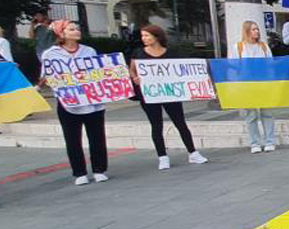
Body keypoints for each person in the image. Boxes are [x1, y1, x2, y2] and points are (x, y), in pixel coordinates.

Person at [41, 20, 110, 185]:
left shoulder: (89, 51)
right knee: (72, 139)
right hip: (68, 102)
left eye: (77, 28)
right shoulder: (50, 54)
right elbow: (47, 76)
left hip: (92, 101)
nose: (76, 31)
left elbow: (98, 73)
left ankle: (99, 169)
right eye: (71, 29)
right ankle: (79, 172)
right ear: (61, 34)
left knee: (97, 136)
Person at [129, 25, 207, 170]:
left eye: (147, 35)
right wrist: (135, 78)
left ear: (156, 37)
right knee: (156, 125)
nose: (143, 39)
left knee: (180, 123)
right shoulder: (138, 52)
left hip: (170, 93)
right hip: (149, 94)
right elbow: (132, 69)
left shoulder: (171, 53)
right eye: (142, 36)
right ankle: (162, 157)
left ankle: (193, 152)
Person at [230, 21, 278, 153]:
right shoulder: (239, 47)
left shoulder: (264, 46)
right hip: (247, 84)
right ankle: (255, 143)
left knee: (267, 113)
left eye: (257, 29)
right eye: (253, 29)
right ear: (247, 31)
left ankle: (270, 141)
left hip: (263, 83)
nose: (256, 32)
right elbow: (234, 65)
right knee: (251, 115)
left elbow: (270, 63)